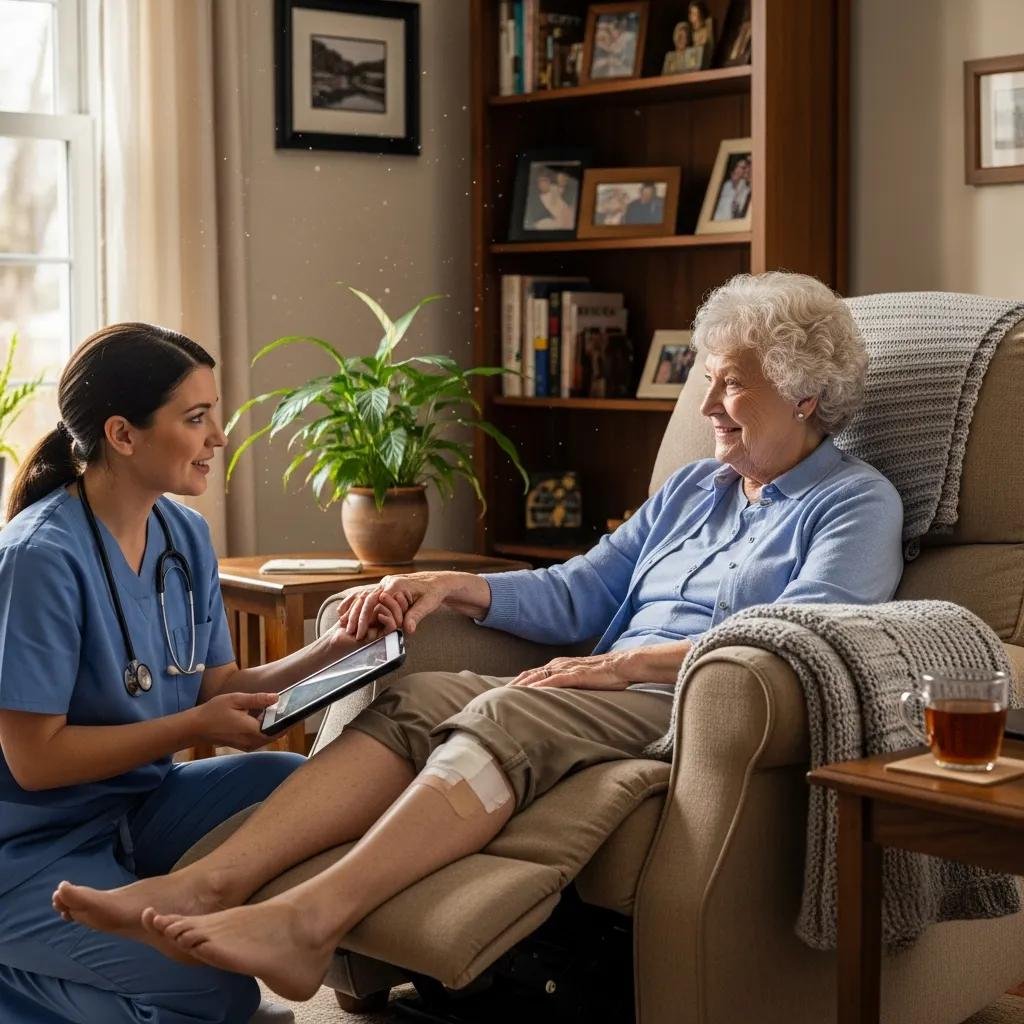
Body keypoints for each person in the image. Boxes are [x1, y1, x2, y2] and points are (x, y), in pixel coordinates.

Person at [56, 273, 905, 1004]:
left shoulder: (854, 504)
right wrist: (449, 585)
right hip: (600, 684)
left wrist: (623, 667)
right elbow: (581, 589)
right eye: (707, 383)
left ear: (802, 393)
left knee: (507, 710)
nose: (709, 405)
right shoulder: (694, 489)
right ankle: (212, 884)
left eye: (730, 386)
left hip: (692, 704)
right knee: (417, 694)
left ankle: (308, 921)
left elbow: (801, 643)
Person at [0, 323, 381, 1023]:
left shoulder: (185, 536)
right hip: (28, 847)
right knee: (219, 995)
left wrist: (341, 643)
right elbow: (33, 761)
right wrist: (193, 725)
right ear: (123, 434)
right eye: (197, 418)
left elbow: (217, 688)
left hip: (138, 806)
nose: (219, 438)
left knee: (297, 788)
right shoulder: (40, 556)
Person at [714, 155, 752, 220]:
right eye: (737, 166)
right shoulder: (726, 185)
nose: (737, 169)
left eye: (743, 168)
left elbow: (739, 213)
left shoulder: (746, 190)